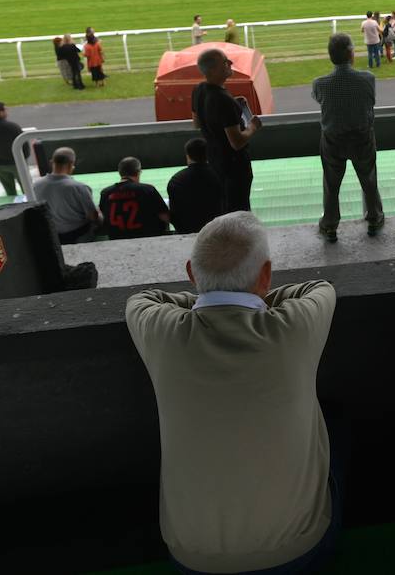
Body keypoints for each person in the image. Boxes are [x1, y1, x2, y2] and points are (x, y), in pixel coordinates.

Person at [125, 213, 339, 575]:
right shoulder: (295, 325)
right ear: (266, 276)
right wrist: (252, 295)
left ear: (192, 274)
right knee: (337, 425)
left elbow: (143, 299)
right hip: (299, 551)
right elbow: (320, 289)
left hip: (191, 559)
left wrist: (211, 296)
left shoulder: (162, 332)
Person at [311, 34, 385, 242]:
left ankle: (330, 225)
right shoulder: (368, 79)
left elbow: (319, 99)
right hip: (362, 138)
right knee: (368, 180)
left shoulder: (320, 84)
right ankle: (374, 218)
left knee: (331, 184)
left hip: (333, 140)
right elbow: (370, 102)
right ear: (351, 53)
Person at [191, 47, 261, 214]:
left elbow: (197, 123)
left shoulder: (198, 90)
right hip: (235, 167)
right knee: (239, 211)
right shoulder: (223, 100)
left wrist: (234, 104)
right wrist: (253, 127)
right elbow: (237, 142)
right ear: (213, 70)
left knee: (225, 207)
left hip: (215, 161)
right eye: (225, 61)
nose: (230, 63)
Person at [32, 147, 99, 244]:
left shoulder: (35, 185)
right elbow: (93, 217)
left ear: (51, 162)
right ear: (71, 164)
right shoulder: (80, 188)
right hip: (78, 235)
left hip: (50, 235)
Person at [98, 156, 170, 239]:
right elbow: (165, 217)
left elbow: (102, 219)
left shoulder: (106, 193)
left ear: (120, 172)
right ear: (138, 172)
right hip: (146, 239)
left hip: (117, 240)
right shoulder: (147, 190)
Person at [166, 138, 223, 235]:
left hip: (186, 231)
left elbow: (174, 214)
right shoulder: (220, 176)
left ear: (188, 156)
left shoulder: (176, 180)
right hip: (216, 230)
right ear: (207, 153)